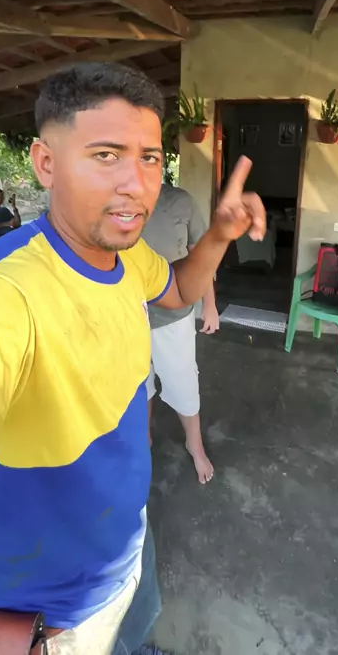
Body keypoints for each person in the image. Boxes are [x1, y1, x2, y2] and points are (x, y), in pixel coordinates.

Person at [0, 63, 265, 655]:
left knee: (137, 628)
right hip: (47, 614)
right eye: (106, 155)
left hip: (125, 541)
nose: (136, 184)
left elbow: (178, 289)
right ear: (45, 163)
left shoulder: (126, 259)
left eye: (149, 158)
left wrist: (219, 235)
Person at [143, 183, 219, 484]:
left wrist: (209, 305)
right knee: (138, 383)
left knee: (183, 380)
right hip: (126, 312)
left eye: (150, 160)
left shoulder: (180, 201)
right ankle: (143, 438)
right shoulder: (117, 198)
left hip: (173, 315)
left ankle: (194, 445)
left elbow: (202, 258)